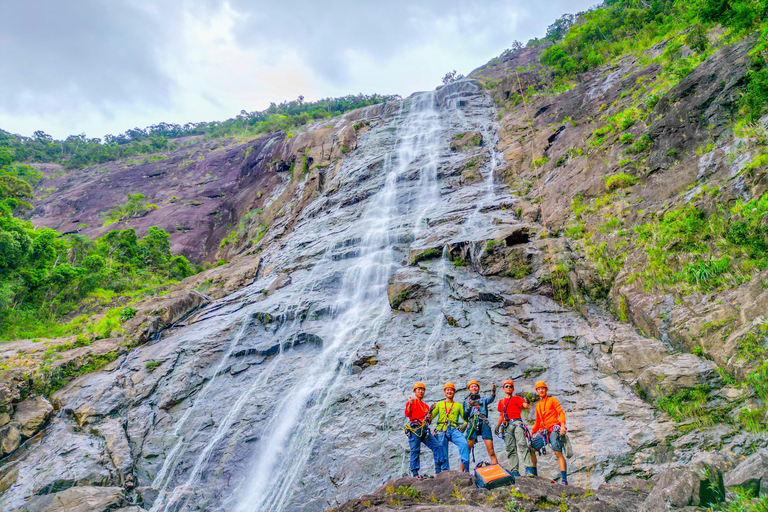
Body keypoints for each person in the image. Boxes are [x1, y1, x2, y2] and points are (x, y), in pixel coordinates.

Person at [530, 380, 568, 485]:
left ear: (546, 389)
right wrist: (532, 432)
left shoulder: (552, 400)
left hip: (553, 429)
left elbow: (561, 412)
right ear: (536, 391)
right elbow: (538, 422)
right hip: (544, 431)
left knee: (558, 452)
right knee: (531, 449)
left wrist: (563, 426)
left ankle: (564, 480)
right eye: (538, 389)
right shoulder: (538, 406)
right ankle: (534, 476)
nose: (540, 390)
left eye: (542, 388)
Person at [495, 379, 534, 477]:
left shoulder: (517, 398)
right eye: (506, 386)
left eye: (510, 386)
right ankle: (514, 471)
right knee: (511, 448)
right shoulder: (501, 402)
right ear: (503, 388)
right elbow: (501, 415)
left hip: (517, 422)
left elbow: (525, 406)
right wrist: (497, 426)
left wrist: (527, 402)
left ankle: (529, 469)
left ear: (513, 388)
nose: (508, 388)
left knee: (522, 444)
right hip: (507, 426)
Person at [404, 382, 445, 477]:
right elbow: (407, 413)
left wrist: (429, 417)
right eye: (419, 389)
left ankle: (438, 471)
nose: (421, 391)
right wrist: (409, 405)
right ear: (415, 391)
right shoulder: (412, 402)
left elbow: (428, 421)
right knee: (415, 449)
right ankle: (415, 473)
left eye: (422, 390)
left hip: (424, 429)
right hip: (415, 428)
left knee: (437, 446)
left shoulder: (426, 406)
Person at [430, 382, 470, 472]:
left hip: (454, 429)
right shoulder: (439, 404)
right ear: (444, 392)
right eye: (447, 390)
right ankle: (445, 472)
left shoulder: (458, 405)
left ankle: (466, 469)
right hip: (441, 429)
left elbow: (466, 419)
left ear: (454, 392)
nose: (449, 392)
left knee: (464, 444)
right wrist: (428, 413)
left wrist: (464, 425)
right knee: (443, 451)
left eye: (451, 390)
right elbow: (431, 417)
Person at [462, 380, 497, 465]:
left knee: (491, 451)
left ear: (478, 388)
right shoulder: (466, 402)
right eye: (471, 386)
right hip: (472, 422)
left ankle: (496, 468)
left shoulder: (483, 399)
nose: (474, 388)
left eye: (475, 386)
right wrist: (469, 407)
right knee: (467, 450)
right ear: (469, 389)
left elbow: (491, 398)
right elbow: (465, 415)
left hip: (483, 422)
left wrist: (493, 391)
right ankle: (462, 472)